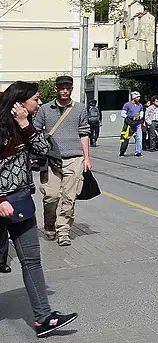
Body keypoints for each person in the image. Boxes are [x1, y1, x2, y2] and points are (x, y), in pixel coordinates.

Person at [0, 81, 79, 336]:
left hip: (21, 203)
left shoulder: (24, 127)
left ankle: (44, 319)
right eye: (35, 99)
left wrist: (25, 125)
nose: (39, 103)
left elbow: (46, 150)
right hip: (2, 203)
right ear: (20, 102)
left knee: (32, 261)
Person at [34, 75, 92, 246]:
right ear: (56, 89)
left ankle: (64, 231)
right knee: (51, 196)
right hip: (52, 160)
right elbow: (36, 131)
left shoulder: (80, 109)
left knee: (69, 197)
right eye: (62, 87)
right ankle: (49, 223)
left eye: (68, 87)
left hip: (74, 158)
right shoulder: (45, 109)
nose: (65, 90)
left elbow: (84, 134)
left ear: (72, 89)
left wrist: (87, 158)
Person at [120, 91, 145, 157]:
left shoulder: (140, 105)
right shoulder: (127, 104)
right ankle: (122, 151)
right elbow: (122, 114)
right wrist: (129, 117)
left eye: (139, 97)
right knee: (126, 138)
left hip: (138, 123)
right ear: (134, 97)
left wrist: (140, 116)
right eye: (137, 97)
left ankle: (138, 152)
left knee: (139, 138)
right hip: (129, 124)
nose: (139, 98)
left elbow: (141, 112)